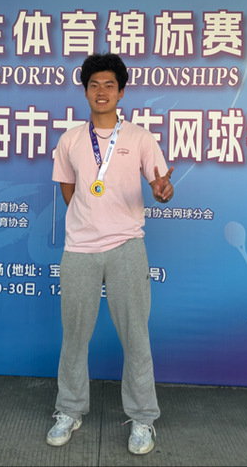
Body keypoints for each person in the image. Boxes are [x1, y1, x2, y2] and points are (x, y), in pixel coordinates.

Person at [47, 53, 174, 455]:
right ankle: (69, 410)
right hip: (80, 250)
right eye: (94, 85)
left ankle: (143, 418)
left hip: (126, 247)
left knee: (136, 337)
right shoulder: (70, 140)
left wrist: (163, 191)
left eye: (109, 85)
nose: (101, 92)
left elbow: (160, 183)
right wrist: (89, 218)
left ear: (121, 93)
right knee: (74, 336)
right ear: (85, 91)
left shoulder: (139, 138)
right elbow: (68, 188)